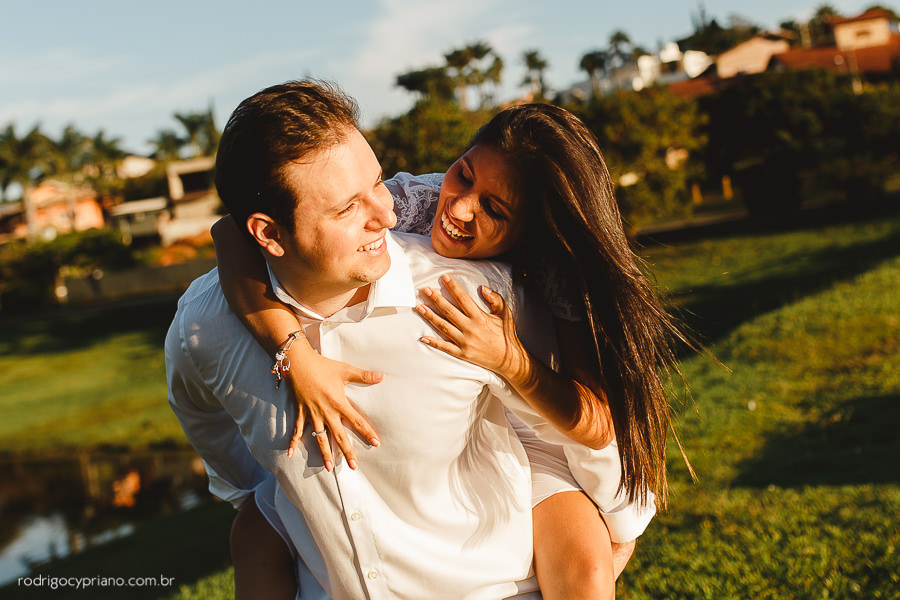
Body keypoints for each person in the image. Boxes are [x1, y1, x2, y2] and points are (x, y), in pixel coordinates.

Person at [167, 80, 656, 600]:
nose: (387, 215)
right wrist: (293, 352)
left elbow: (591, 423)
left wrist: (622, 526)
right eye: (463, 175)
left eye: (495, 211)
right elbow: (231, 234)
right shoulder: (414, 201)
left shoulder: (519, 287)